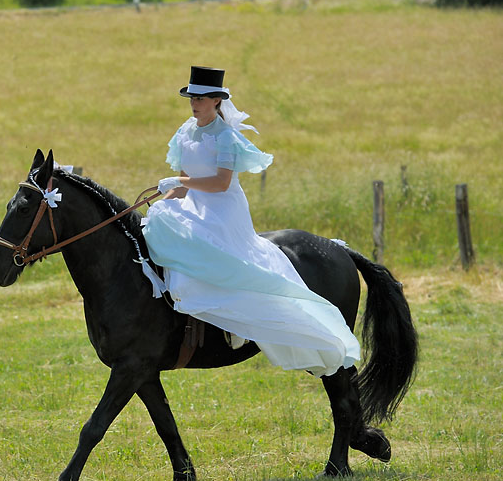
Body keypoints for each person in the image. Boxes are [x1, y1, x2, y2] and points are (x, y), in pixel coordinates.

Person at [141, 66, 360, 377]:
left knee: (204, 250)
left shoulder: (225, 137)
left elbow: (219, 183)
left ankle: (234, 320)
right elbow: (182, 183)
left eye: (201, 98)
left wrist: (182, 182)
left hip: (221, 209)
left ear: (216, 101)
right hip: (192, 204)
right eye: (192, 97)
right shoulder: (185, 132)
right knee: (159, 227)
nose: (195, 103)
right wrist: (163, 199)